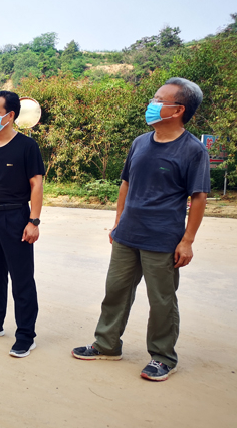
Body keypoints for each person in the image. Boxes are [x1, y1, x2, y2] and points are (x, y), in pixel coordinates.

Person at [72, 77, 210, 381]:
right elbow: (126, 183)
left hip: (162, 238)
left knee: (161, 300)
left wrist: (187, 240)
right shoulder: (140, 142)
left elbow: (198, 198)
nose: (152, 104)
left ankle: (163, 357)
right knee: (115, 291)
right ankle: (107, 344)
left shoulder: (193, 150)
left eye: (159, 100)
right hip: (127, 235)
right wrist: (118, 220)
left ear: (178, 110)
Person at [0, 90, 45, 358]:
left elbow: (36, 184)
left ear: (10, 115)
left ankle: (25, 335)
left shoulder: (27, 146)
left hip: (15, 217)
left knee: (22, 278)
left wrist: (33, 221)